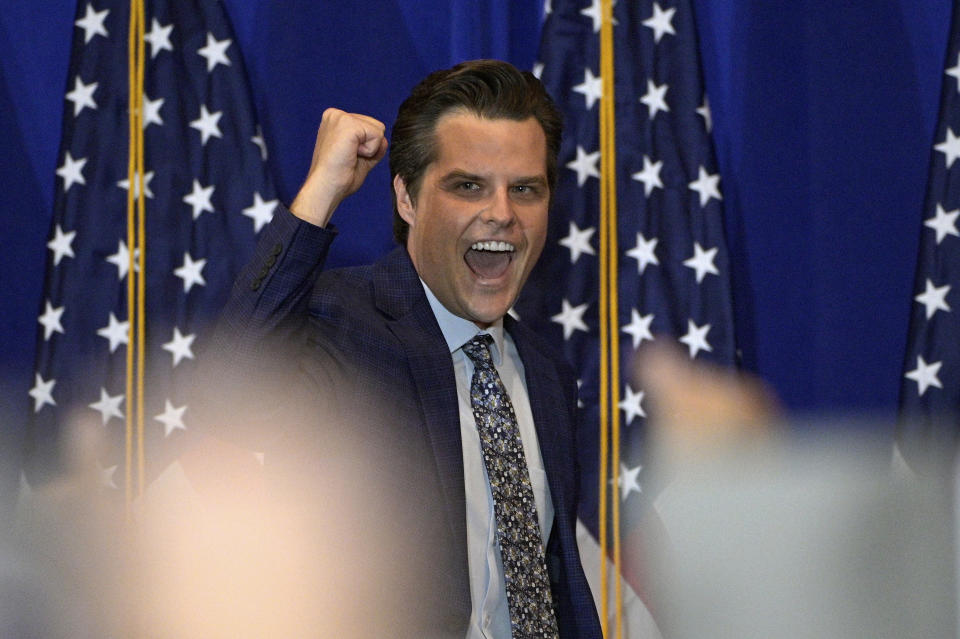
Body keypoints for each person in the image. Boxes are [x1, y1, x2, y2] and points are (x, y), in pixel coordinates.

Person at [206, 59, 602, 638]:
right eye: (468, 185)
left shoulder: (545, 373)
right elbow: (235, 386)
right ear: (407, 200)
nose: (502, 213)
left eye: (525, 189)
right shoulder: (345, 325)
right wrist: (323, 191)